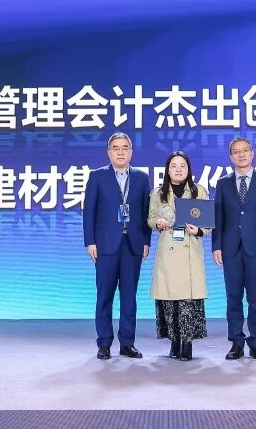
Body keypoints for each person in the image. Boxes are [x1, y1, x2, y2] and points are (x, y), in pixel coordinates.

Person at [83, 132, 152, 360]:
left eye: (124, 148)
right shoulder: (97, 176)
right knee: (104, 295)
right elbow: (89, 212)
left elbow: (146, 213)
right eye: (116, 148)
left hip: (133, 244)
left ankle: (127, 343)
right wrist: (90, 241)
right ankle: (104, 343)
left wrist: (146, 241)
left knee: (129, 296)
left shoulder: (141, 178)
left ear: (131, 152)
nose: (120, 152)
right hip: (105, 245)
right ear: (108, 152)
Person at [212, 135, 256, 361]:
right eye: (236, 152)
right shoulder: (223, 183)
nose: (241, 155)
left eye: (245, 150)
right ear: (231, 157)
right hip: (230, 249)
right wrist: (216, 246)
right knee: (233, 297)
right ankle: (236, 343)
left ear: (252, 153)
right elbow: (218, 217)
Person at [147, 151, 209, 361]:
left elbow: (208, 223)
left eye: (183, 165)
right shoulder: (158, 193)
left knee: (187, 301)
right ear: (167, 170)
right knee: (170, 301)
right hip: (168, 251)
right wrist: (157, 223)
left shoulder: (198, 191)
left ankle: (187, 343)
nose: (178, 169)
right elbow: (150, 218)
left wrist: (198, 230)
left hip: (190, 250)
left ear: (189, 169)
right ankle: (174, 341)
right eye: (174, 166)